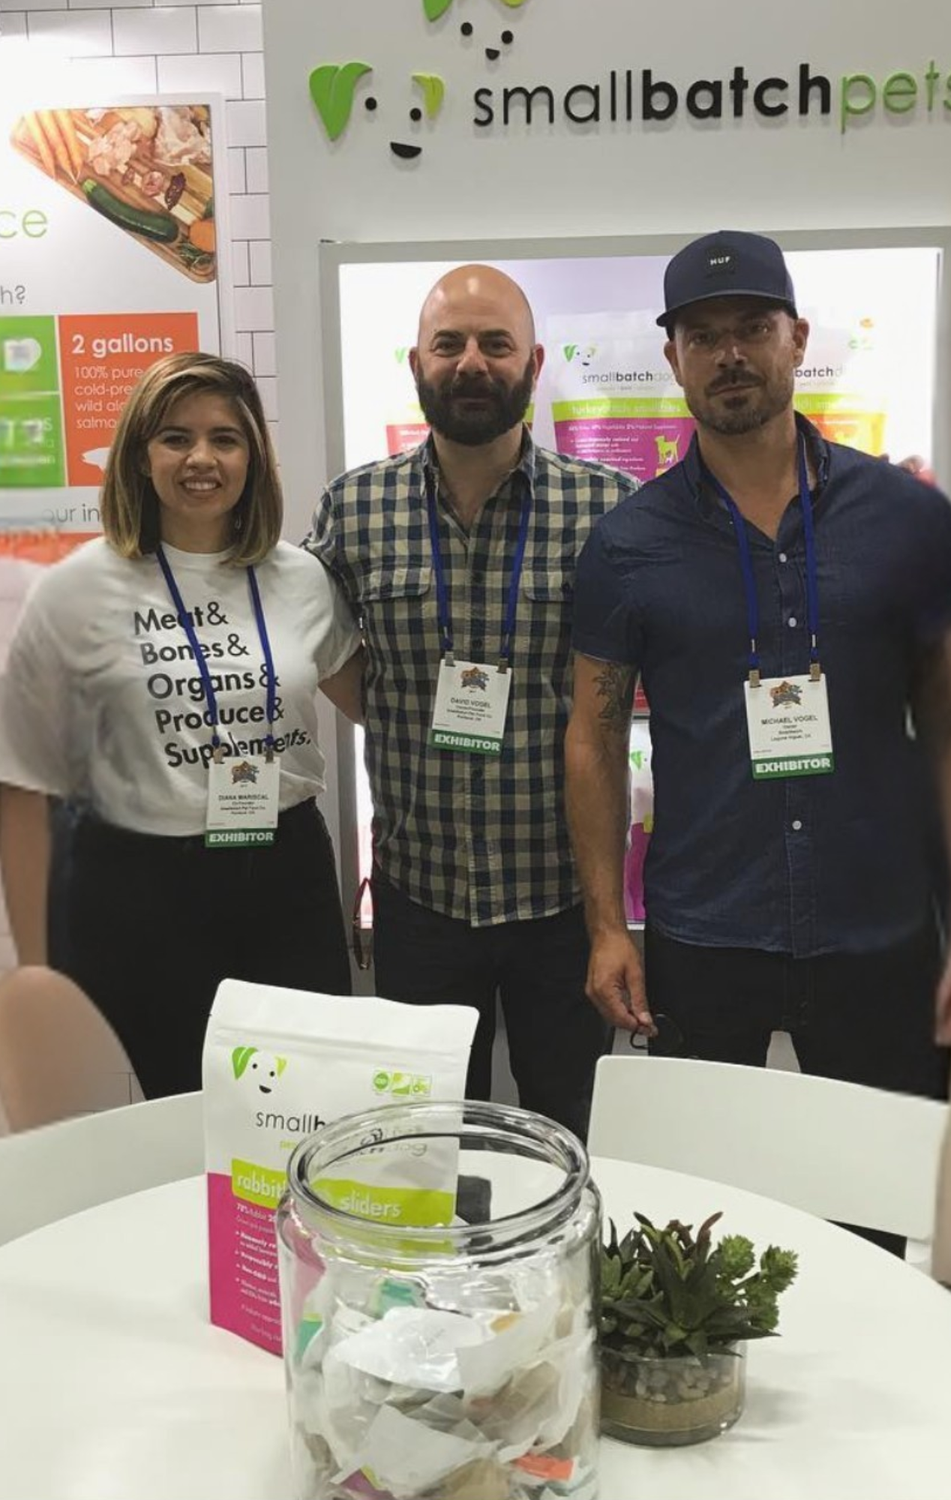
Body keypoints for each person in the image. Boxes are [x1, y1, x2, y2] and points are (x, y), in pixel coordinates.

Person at [565, 229, 951, 1114]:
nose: (730, 354)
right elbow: (594, 736)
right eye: (703, 336)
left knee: (874, 1208)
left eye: (754, 327)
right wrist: (608, 927)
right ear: (673, 357)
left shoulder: (907, 518)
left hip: (877, 929)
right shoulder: (626, 546)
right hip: (706, 931)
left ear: (797, 340)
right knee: (706, 1220)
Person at [306, 265, 637, 1140]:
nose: (472, 363)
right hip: (422, 901)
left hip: (562, 903)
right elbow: (314, 639)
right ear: (415, 361)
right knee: (421, 1140)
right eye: (448, 344)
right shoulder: (354, 507)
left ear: (534, 364)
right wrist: (396, 718)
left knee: (571, 1130)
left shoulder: (606, 509)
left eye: (497, 343)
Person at [0, 352, 364, 1099]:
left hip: (284, 870)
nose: (202, 458)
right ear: (139, 455)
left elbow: (376, 707)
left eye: (225, 438)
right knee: (182, 1108)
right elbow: (21, 783)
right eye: (175, 438)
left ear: (253, 456)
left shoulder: (300, 578)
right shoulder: (75, 589)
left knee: (304, 1103)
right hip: (142, 887)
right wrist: (34, 970)